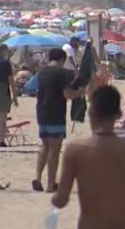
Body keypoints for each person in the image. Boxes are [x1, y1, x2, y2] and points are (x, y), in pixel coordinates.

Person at [51, 86, 125, 229]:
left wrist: (55, 200)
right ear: (119, 114)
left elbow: (61, 200)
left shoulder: (75, 150)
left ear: (91, 112)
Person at [33, 48, 84, 193]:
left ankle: (37, 177)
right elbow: (68, 94)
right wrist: (79, 92)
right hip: (56, 113)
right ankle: (50, 184)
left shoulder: (41, 72)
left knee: (45, 146)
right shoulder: (62, 73)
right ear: (62, 59)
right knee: (54, 149)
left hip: (41, 111)